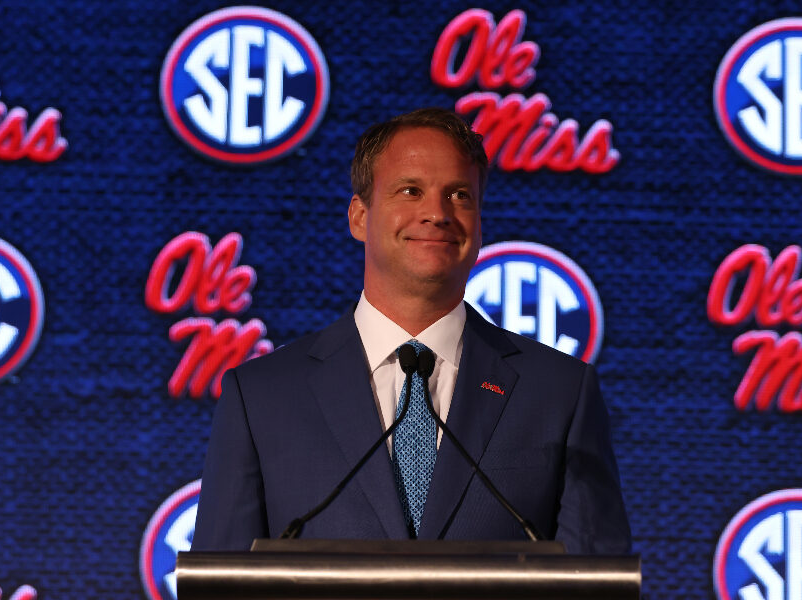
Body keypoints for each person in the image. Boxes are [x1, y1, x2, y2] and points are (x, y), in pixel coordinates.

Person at [191, 108, 631, 554]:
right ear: (360, 217)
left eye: (459, 195)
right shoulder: (262, 396)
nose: (437, 213)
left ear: (480, 222)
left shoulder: (558, 393)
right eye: (411, 191)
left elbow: (595, 580)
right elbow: (221, 581)